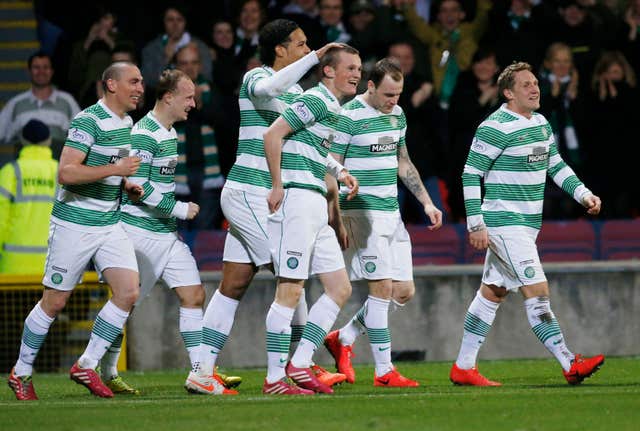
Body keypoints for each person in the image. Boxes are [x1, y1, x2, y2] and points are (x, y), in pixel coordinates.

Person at [183, 19, 344, 396]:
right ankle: (295, 367)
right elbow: (271, 85)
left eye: (310, 46)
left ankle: (202, 372)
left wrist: (338, 169)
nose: (308, 51)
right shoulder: (256, 78)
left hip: (262, 196)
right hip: (250, 192)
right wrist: (315, 60)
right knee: (293, 272)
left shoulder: (292, 96)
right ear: (280, 50)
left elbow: (305, 146)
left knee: (233, 285)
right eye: (301, 45)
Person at [449, 61, 604, 387]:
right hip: (504, 223)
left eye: (536, 83)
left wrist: (584, 195)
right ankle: (569, 362)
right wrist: (476, 224)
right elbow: (470, 173)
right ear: (508, 92)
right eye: (526, 85)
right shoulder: (494, 127)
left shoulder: (541, 124)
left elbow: (556, 165)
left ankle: (464, 366)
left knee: (493, 292)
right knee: (537, 291)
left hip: (528, 225)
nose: (535, 88)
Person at [7, 62, 143, 400]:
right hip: (74, 224)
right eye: (134, 81)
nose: (141, 88)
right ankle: (21, 371)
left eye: (141, 81)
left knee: (128, 292)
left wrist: (126, 183)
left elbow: (116, 170)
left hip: (109, 224)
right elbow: (66, 173)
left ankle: (87, 363)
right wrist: (116, 168)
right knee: (54, 303)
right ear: (111, 84)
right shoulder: (87, 121)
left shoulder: (127, 123)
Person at [322, 58, 442, 387]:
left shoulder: (398, 115)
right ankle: (384, 371)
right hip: (361, 213)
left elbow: (403, 162)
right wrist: (336, 216)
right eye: (388, 94)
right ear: (370, 86)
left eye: (399, 94)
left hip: (392, 214)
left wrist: (427, 202)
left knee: (403, 291)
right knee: (382, 288)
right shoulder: (348, 117)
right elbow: (333, 169)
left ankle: (343, 337)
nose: (394, 101)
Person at [262, 44, 361, 394]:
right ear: (328, 71)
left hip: (316, 201)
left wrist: (340, 170)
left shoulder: (332, 108)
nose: (356, 74)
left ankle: (300, 363)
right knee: (290, 287)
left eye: (359, 68)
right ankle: (274, 378)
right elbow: (272, 135)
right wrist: (277, 185)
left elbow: (311, 148)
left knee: (340, 288)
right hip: (297, 200)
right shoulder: (316, 100)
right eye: (349, 67)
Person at [172, 43, 225, 230]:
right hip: (176, 171)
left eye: (194, 62)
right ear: (176, 66)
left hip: (207, 171)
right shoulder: (167, 95)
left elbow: (222, 123)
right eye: (184, 63)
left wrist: (201, 104)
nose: (189, 67)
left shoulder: (211, 89)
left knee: (205, 233)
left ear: (200, 65)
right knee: (177, 233)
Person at [0, 120, 58, 274]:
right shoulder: (60, 172)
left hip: (13, 264)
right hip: (52, 264)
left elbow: (1, 218)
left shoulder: (10, 171)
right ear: (49, 141)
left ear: (23, 141)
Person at [0, 52, 80, 162]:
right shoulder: (16, 103)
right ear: (29, 71)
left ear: (52, 72)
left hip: (57, 168)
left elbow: (83, 133)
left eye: (45, 67)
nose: (41, 72)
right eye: (36, 68)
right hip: (24, 170)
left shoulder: (67, 101)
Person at [141, 6, 212, 89]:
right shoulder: (151, 48)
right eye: (170, 20)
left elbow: (208, 76)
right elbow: (148, 81)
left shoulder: (200, 46)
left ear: (185, 22)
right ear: (164, 22)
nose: (175, 24)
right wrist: (166, 59)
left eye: (179, 20)